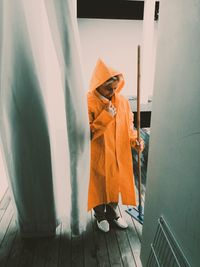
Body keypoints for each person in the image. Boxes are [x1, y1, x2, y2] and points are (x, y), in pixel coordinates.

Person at [87, 59, 144, 232]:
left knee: (113, 183)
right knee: (98, 185)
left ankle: (112, 214)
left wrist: (135, 140)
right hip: (98, 153)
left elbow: (129, 125)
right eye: (109, 88)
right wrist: (105, 116)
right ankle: (100, 216)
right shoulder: (89, 102)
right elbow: (86, 133)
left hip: (117, 151)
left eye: (115, 88)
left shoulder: (122, 101)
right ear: (98, 85)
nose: (113, 92)